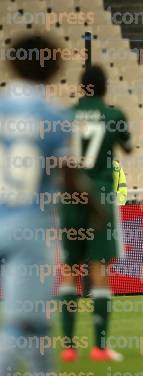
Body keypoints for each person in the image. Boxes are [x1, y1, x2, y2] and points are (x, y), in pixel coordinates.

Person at [0, 34, 90, 374]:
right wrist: (93, 207)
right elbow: (68, 176)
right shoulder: (53, 115)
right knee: (23, 322)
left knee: (36, 319)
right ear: (53, 67)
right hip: (29, 227)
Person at [59, 65, 133, 362]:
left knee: (69, 269)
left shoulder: (65, 116)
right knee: (98, 269)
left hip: (71, 195)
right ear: (105, 87)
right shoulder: (113, 115)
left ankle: (67, 348)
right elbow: (126, 147)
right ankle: (100, 347)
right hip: (100, 198)